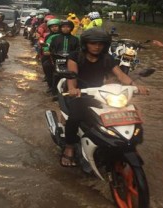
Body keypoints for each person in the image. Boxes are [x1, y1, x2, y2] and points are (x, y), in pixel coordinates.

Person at [60, 28, 148, 167]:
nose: (97, 47)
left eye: (100, 44)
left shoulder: (107, 58)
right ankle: (69, 146)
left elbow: (120, 75)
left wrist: (135, 86)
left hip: (101, 92)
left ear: (105, 45)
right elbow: (72, 75)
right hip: (80, 92)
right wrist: (72, 89)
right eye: (93, 43)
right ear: (85, 43)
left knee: (128, 110)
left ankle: (128, 144)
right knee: (76, 116)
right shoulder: (75, 56)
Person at [48, 20, 80, 95]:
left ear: (71, 28)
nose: (65, 29)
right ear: (60, 28)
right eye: (63, 27)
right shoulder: (55, 38)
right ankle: (53, 91)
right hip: (58, 60)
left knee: (75, 75)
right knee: (53, 72)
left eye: (68, 27)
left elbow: (78, 50)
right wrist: (54, 55)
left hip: (71, 61)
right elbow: (51, 49)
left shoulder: (75, 39)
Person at [40, 18, 61, 93]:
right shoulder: (48, 36)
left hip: (65, 56)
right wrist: (46, 50)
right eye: (52, 27)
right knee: (46, 64)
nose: (54, 28)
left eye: (56, 26)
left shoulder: (66, 36)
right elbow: (46, 45)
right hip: (53, 56)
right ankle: (50, 85)